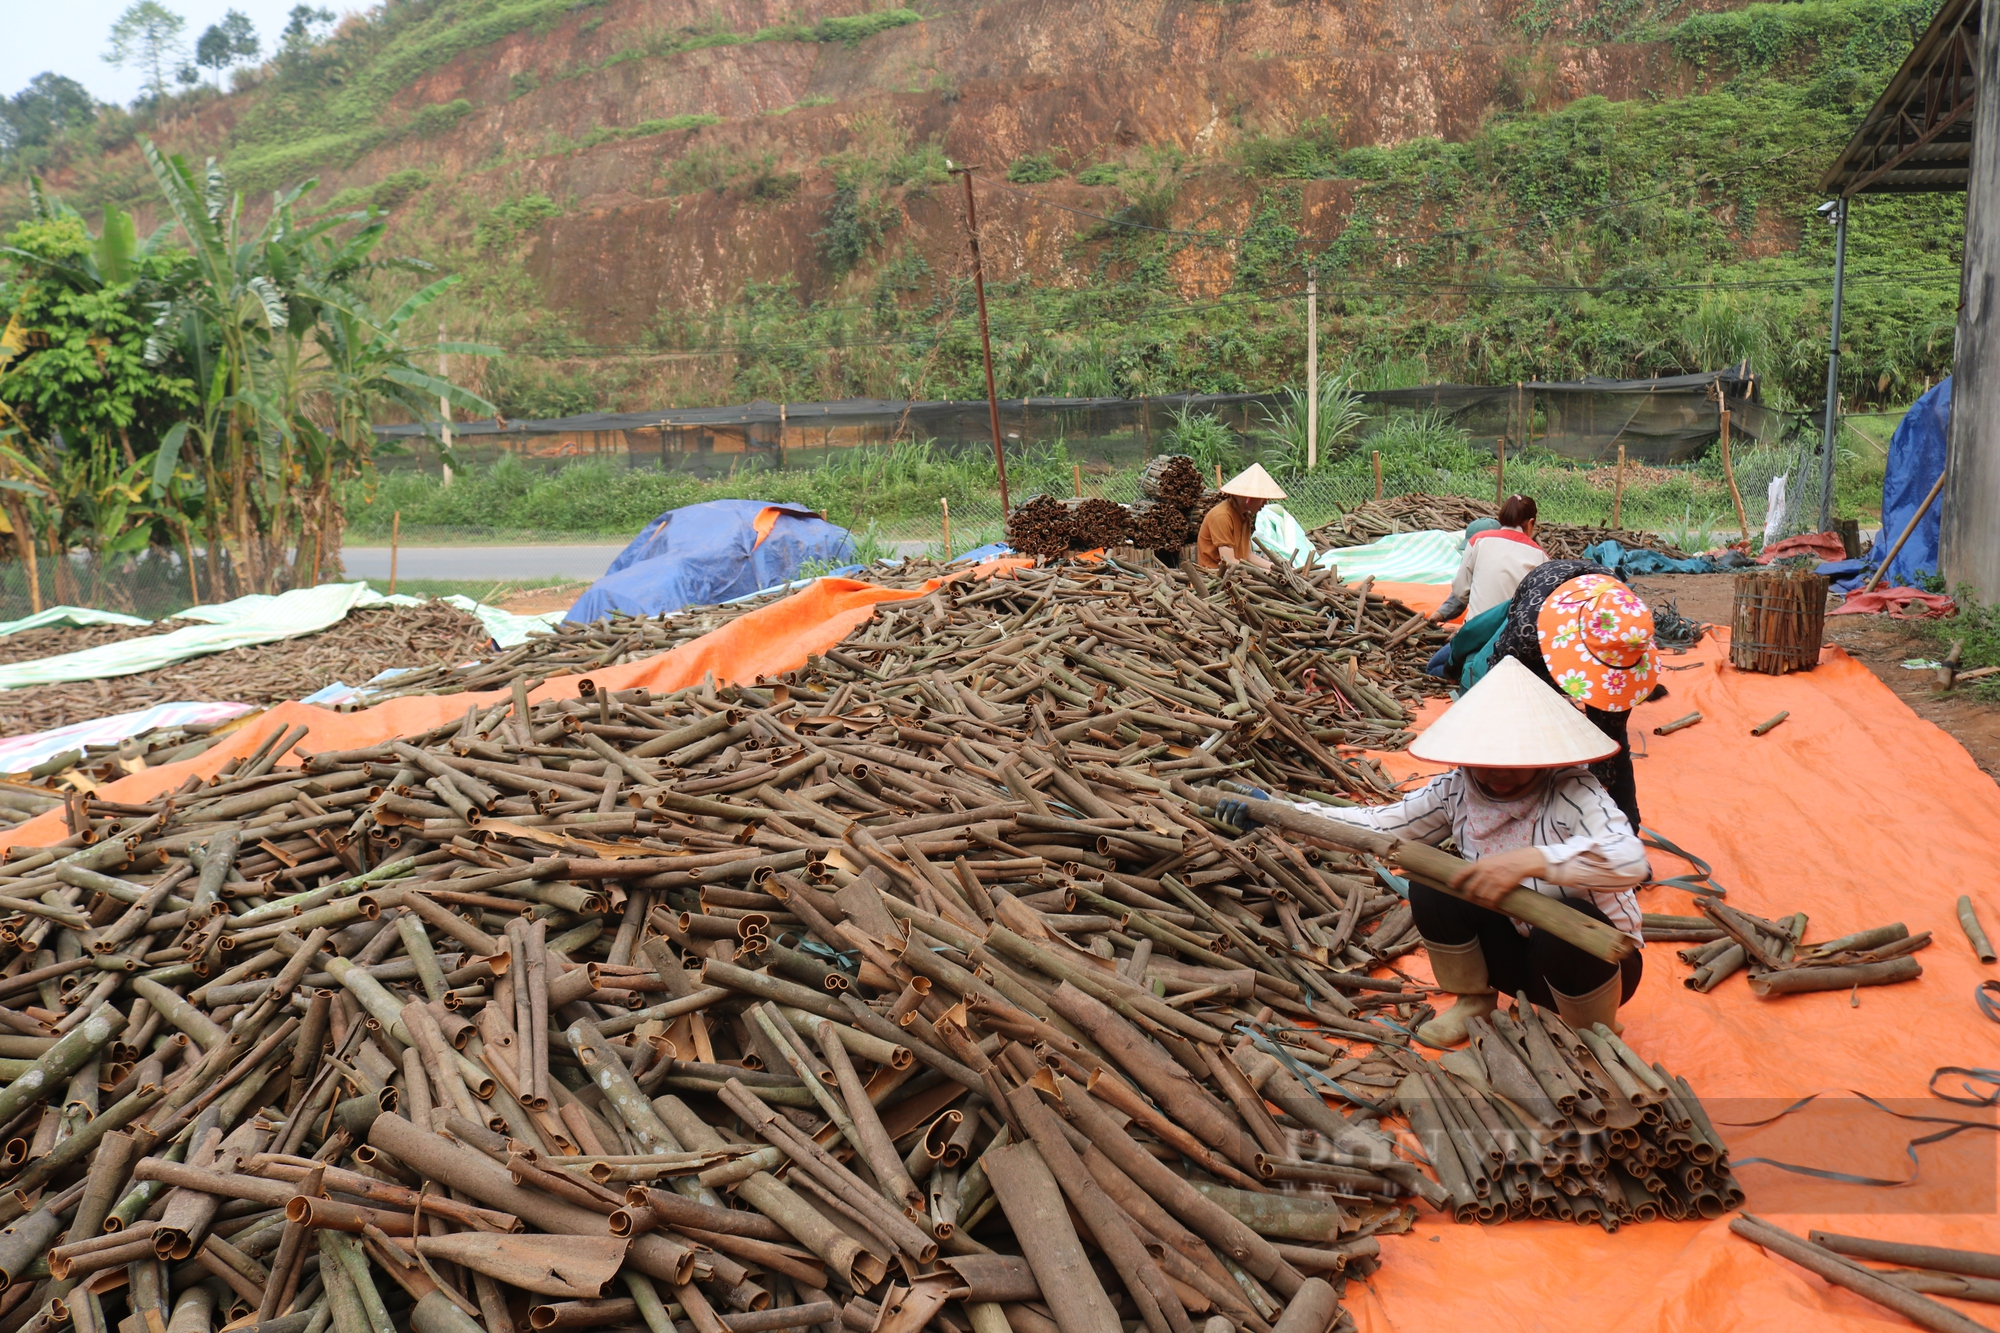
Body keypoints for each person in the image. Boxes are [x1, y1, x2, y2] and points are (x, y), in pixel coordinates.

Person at [1218, 654, 1650, 1045]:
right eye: (1485, 759)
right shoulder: (1457, 789)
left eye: (1515, 761)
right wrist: (1275, 810)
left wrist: (1535, 862)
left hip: (1597, 966)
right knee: (1434, 883)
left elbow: (1631, 858)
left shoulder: (1572, 790)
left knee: (1567, 926)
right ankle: (1474, 1002)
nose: (1498, 774)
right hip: (1515, 960)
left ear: (1542, 754)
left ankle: (1592, 1032)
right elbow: (1378, 826)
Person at [1489, 561, 1655, 833]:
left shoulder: (1629, 626)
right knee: (1531, 731)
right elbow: (1498, 684)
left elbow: (1610, 740)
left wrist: (1600, 791)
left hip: (1599, 619)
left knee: (1612, 741)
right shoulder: (1527, 631)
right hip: (1547, 628)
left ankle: (1628, 830)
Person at [1431, 494, 1546, 624]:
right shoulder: (1540, 556)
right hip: (1511, 635)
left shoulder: (1479, 540)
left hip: (1475, 629)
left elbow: (1460, 590)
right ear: (1531, 522)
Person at [1196, 464, 1287, 569]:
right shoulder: (1222, 516)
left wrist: (1279, 569)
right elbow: (1229, 561)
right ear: (1249, 498)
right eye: (1262, 498)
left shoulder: (1244, 516)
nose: (1265, 503)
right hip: (1218, 577)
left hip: (1238, 573)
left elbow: (1249, 557)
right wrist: (1264, 573)